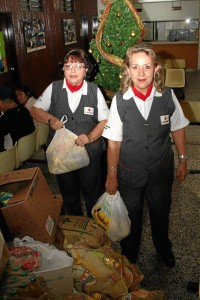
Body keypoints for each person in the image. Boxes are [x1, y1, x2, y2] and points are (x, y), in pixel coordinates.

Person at [102, 43, 189, 268]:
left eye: (147, 67)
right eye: (135, 67)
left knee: (161, 213)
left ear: (156, 69)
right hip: (129, 172)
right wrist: (112, 175)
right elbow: (113, 143)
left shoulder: (167, 96)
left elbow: (178, 127)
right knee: (132, 216)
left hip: (160, 170)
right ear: (128, 70)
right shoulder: (120, 101)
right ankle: (129, 253)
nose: (141, 73)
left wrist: (183, 159)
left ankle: (163, 248)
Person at [30, 49, 109, 217]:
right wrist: (51, 119)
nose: (73, 71)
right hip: (62, 156)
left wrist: (90, 137)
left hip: (89, 155)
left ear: (86, 69)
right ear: (63, 69)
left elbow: (105, 120)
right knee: (69, 195)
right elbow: (35, 110)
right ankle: (76, 227)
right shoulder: (54, 88)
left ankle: (94, 230)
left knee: (92, 195)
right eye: (68, 66)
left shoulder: (95, 91)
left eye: (78, 66)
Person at [0, 86, 35, 152]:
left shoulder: (6, 118)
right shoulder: (24, 109)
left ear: (1, 102)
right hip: (30, 148)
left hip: (17, 153)